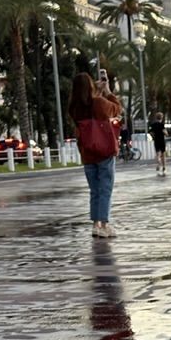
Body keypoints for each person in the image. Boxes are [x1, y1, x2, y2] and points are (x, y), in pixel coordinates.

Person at [67, 71, 122, 239]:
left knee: (95, 190)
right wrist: (107, 91)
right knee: (105, 189)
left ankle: (95, 225)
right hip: (104, 151)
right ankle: (104, 226)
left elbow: (89, 107)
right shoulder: (98, 102)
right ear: (90, 85)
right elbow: (116, 109)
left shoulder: (74, 107)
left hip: (87, 152)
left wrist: (96, 93)